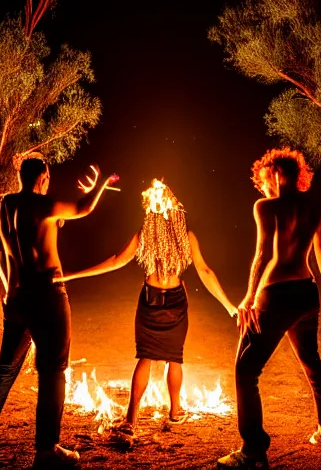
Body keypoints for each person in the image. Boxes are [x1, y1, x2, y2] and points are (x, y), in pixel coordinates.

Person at [55, 178, 237, 444]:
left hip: (150, 299)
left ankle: (131, 420)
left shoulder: (145, 235)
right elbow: (205, 272)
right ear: (175, 207)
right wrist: (229, 306)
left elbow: (117, 261)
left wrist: (73, 274)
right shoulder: (187, 236)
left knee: (146, 357)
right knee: (174, 357)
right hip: (176, 301)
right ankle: (175, 412)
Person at [218, 148, 321, 469]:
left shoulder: (266, 207)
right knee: (311, 360)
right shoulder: (313, 207)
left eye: (265, 180)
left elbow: (262, 254)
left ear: (277, 175)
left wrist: (249, 297)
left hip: (276, 295)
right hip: (307, 293)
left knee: (246, 371)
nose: (263, 188)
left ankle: (252, 452)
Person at [0, 157, 118, 468]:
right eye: (48, 177)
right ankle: (47, 449)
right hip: (47, 295)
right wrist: (101, 185)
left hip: (15, 298)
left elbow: (32, 233)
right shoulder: (43, 205)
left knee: (5, 367)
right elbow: (84, 208)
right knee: (54, 370)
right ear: (43, 177)